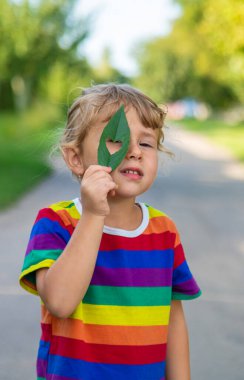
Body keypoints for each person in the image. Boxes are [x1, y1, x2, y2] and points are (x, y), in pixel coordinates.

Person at [19, 83, 201, 380]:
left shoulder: (164, 232)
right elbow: (60, 303)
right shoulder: (56, 223)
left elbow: (173, 317)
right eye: (117, 140)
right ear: (76, 158)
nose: (134, 152)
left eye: (146, 143)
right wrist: (93, 214)